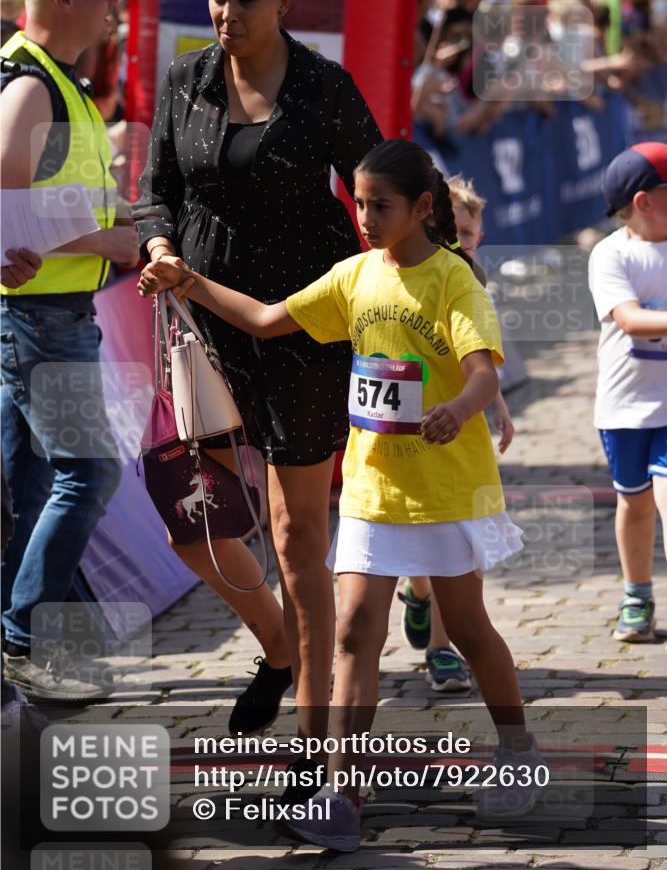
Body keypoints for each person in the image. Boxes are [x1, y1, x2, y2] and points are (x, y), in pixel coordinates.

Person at [139, 139, 542, 851]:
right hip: (370, 488)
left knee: (470, 631)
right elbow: (267, 319)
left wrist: (462, 407)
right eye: (356, 203)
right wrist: (186, 281)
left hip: (444, 490)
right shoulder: (353, 276)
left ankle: (517, 750)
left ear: (422, 208)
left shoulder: (454, 281)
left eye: (378, 206)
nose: (363, 217)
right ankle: (341, 789)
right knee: (355, 633)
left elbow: (483, 372)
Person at [133, 0, 382, 751]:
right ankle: (278, 649)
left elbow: (377, 185)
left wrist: (431, 270)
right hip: (202, 329)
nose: (226, 13)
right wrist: (160, 241)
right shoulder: (184, 81)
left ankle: (317, 744)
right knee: (189, 515)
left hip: (301, 326)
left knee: (296, 533)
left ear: (281, 1)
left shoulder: (323, 87)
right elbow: (155, 190)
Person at [0, 0, 138, 700]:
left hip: (48, 311)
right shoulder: (29, 85)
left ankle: (22, 644)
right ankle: (26, 641)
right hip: (41, 315)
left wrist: (124, 223)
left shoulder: (60, 81)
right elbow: (5, 199)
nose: (115, 4)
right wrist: (108, 237)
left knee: (34, 482)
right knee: (89, 473)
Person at [398, 175, 515, 692]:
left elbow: (481, 358)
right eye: (452, 230)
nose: (460, 241)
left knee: (460, 544)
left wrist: (500, 409)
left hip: (456, 429)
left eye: (468, 233)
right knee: (416, 541)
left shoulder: (472, 279)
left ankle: (443, 649)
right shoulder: (404, 273)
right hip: (405, 424)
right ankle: (419, 594)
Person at [589, 142, 667, 642]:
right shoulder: (611, 254)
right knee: (633, 503)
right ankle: (636, 594)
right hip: (624, 407)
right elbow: (631, 320)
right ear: (645, 202)